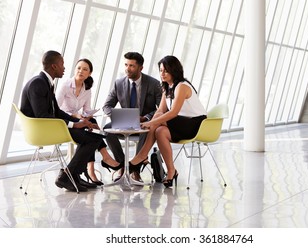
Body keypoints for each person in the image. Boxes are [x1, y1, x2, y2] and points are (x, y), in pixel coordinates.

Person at [20, 50, 104, 192]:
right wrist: (74, 124)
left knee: (94, 134)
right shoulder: (38, 84)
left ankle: (74, 176)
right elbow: (42, 116)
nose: (64, 67)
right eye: (62, 64)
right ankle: (67, 176)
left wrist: (83, 122)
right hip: (42, 130)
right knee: (92, 139)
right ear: (54, 66)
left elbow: (57, 112)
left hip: (50, 126)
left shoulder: (46, 82)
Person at [128, 55, 207, 188]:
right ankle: (171, 171)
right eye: (160, 70)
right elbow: (160, 111)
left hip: (195, 124)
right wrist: (153, 122)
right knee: (160, 131)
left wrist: (150, 123)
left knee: (157, 124)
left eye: (166, 70)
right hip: (179, 123)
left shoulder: (181, 86)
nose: (162, 74)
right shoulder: (167, 87)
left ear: (174, 70)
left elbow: (173, 112)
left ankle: (141, 155)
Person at [56, 58, 122, 185]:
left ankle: (91, 169)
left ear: (89, 73)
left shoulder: (87, 89)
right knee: (92, 134)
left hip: (78, 121)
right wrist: (75, 115)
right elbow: (57, 109)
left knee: (92, 122)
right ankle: (103, 159)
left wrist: (86, 115)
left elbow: (86, 109)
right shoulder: (65, 85)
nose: (81, 71)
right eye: (79, 68)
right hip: (65, 122)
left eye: (85, 69)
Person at [102, 52, 162, 182]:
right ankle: (122, 165)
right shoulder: (118, 84)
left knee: (147, 130)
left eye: (132, 66)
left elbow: (161, 109)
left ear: (141, 68)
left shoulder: (153, 84)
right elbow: (106, 106)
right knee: (106, 129)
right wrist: (120, 116)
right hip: (125, 122)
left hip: (144, 123)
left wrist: (146, 117)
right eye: (126, 65)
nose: (127, 69)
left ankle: (135, 169)